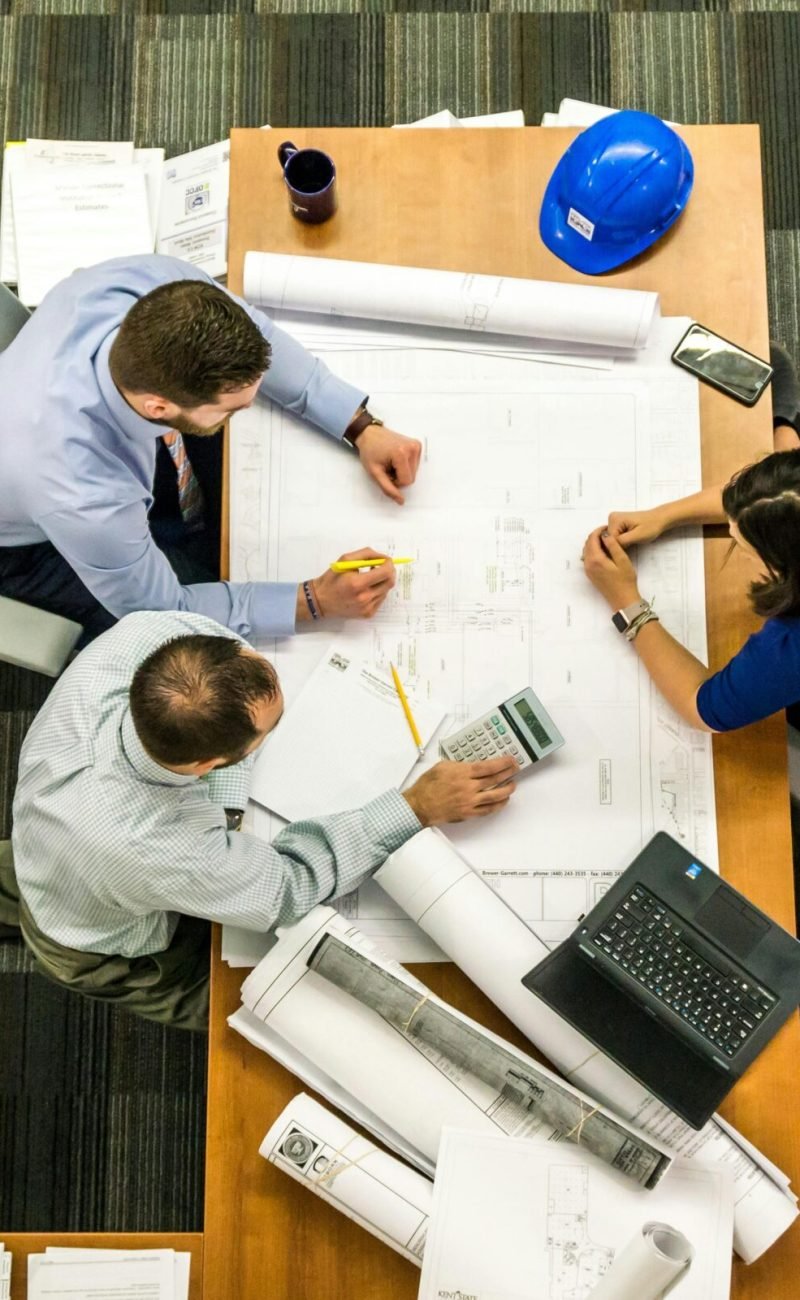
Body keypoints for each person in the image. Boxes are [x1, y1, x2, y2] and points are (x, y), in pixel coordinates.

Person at [5, 610, 518, 1031]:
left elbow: (226, 642)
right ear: (205, 765)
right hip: (95, 942)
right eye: (269, 732)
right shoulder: (156, 846)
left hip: (42, 838)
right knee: (267, 1008)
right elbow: (288, 887)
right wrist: (414, 807)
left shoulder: (146, 637)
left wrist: (229, 799)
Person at [0, 255, 423, 642]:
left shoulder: (154, 284)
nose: (252, 405)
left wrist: (358, 424)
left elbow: (259, 334)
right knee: (199, 590)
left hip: (43, 426)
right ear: (159, 406)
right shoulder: (85, 497)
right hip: (28, 545)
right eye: (233, 407)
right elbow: (164, 610)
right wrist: (313, 601)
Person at [581, 448, 800, 733]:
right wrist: (663, 516)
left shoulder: (790, 646)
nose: (733, 543)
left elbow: (705, 707)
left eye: (747, 551)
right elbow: (774, 500)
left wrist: (625, 601)